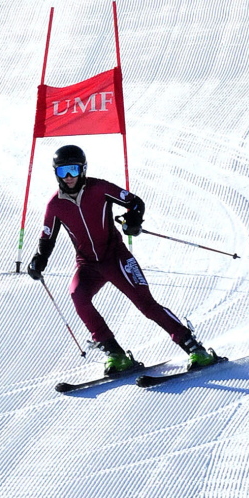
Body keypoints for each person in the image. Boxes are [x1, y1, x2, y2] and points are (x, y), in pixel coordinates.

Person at [27, 143, 217, 376]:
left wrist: (133, 220)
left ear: (83, 169)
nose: (68, 177)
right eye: (62, 172)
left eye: (73, 171)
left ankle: (195, 348)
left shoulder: (99, 188)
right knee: (79, 297)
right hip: (87, 265)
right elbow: (47, 237)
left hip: (116, 257)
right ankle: (115, 355)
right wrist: (39, 259)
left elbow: (135, 202)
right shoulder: (55, 205)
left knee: (146, 305)